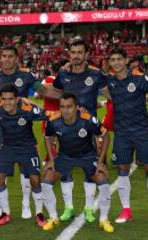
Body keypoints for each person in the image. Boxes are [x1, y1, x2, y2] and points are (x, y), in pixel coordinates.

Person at [0, 45, 51, 219]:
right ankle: (2, 207)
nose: (6, 59)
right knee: (1, 167)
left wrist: (65, 95)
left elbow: (42, 91)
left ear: (16, 58)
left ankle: (26, 204)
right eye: (3, 56)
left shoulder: (26, 75)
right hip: (2, 128)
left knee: (25, 170)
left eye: (10, 56)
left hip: (23, 128)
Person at [48, 38, 110, 223]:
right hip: (66, 128)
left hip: (89, 129)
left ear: (87, 54)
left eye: (79, 52)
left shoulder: (96, 75)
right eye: (73, 52)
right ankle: (68, 208)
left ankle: (89, 209)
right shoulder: (63, 73)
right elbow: (57, 92)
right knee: (65, 168)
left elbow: (110, 93)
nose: (76, 56)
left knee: (90, 171)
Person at [107, 47, 148, 226]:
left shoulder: (139, 79)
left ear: (125, 60)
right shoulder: (109, 81)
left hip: (141, 132)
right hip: (122, 133)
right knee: (122, 170)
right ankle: (126, 210)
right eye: (113, 60)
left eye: (119, 59)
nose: (116, 62)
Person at [41, 92, 113, 233]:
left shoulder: (88, 120)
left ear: (77, 107)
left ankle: (103, 219)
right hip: (65, 156)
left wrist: (101, 161)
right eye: (62, 107)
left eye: (69, 107)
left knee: (103, 183)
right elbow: (47, 136)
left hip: (88, 156)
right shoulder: (53, 120)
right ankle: (53, 217)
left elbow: (106, 136)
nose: (65, 110)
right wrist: (51, 158)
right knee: (46, 182)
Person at [0, 83, 47, 227]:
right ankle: (5, 213)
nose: (7, 102)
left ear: (17, 99)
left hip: (27, 148)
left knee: (35, 180)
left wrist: (30, 102)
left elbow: (47, 114)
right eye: (4, 99)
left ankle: (39, 214)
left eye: (10, 99)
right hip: (7, 147)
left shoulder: (27, 111)